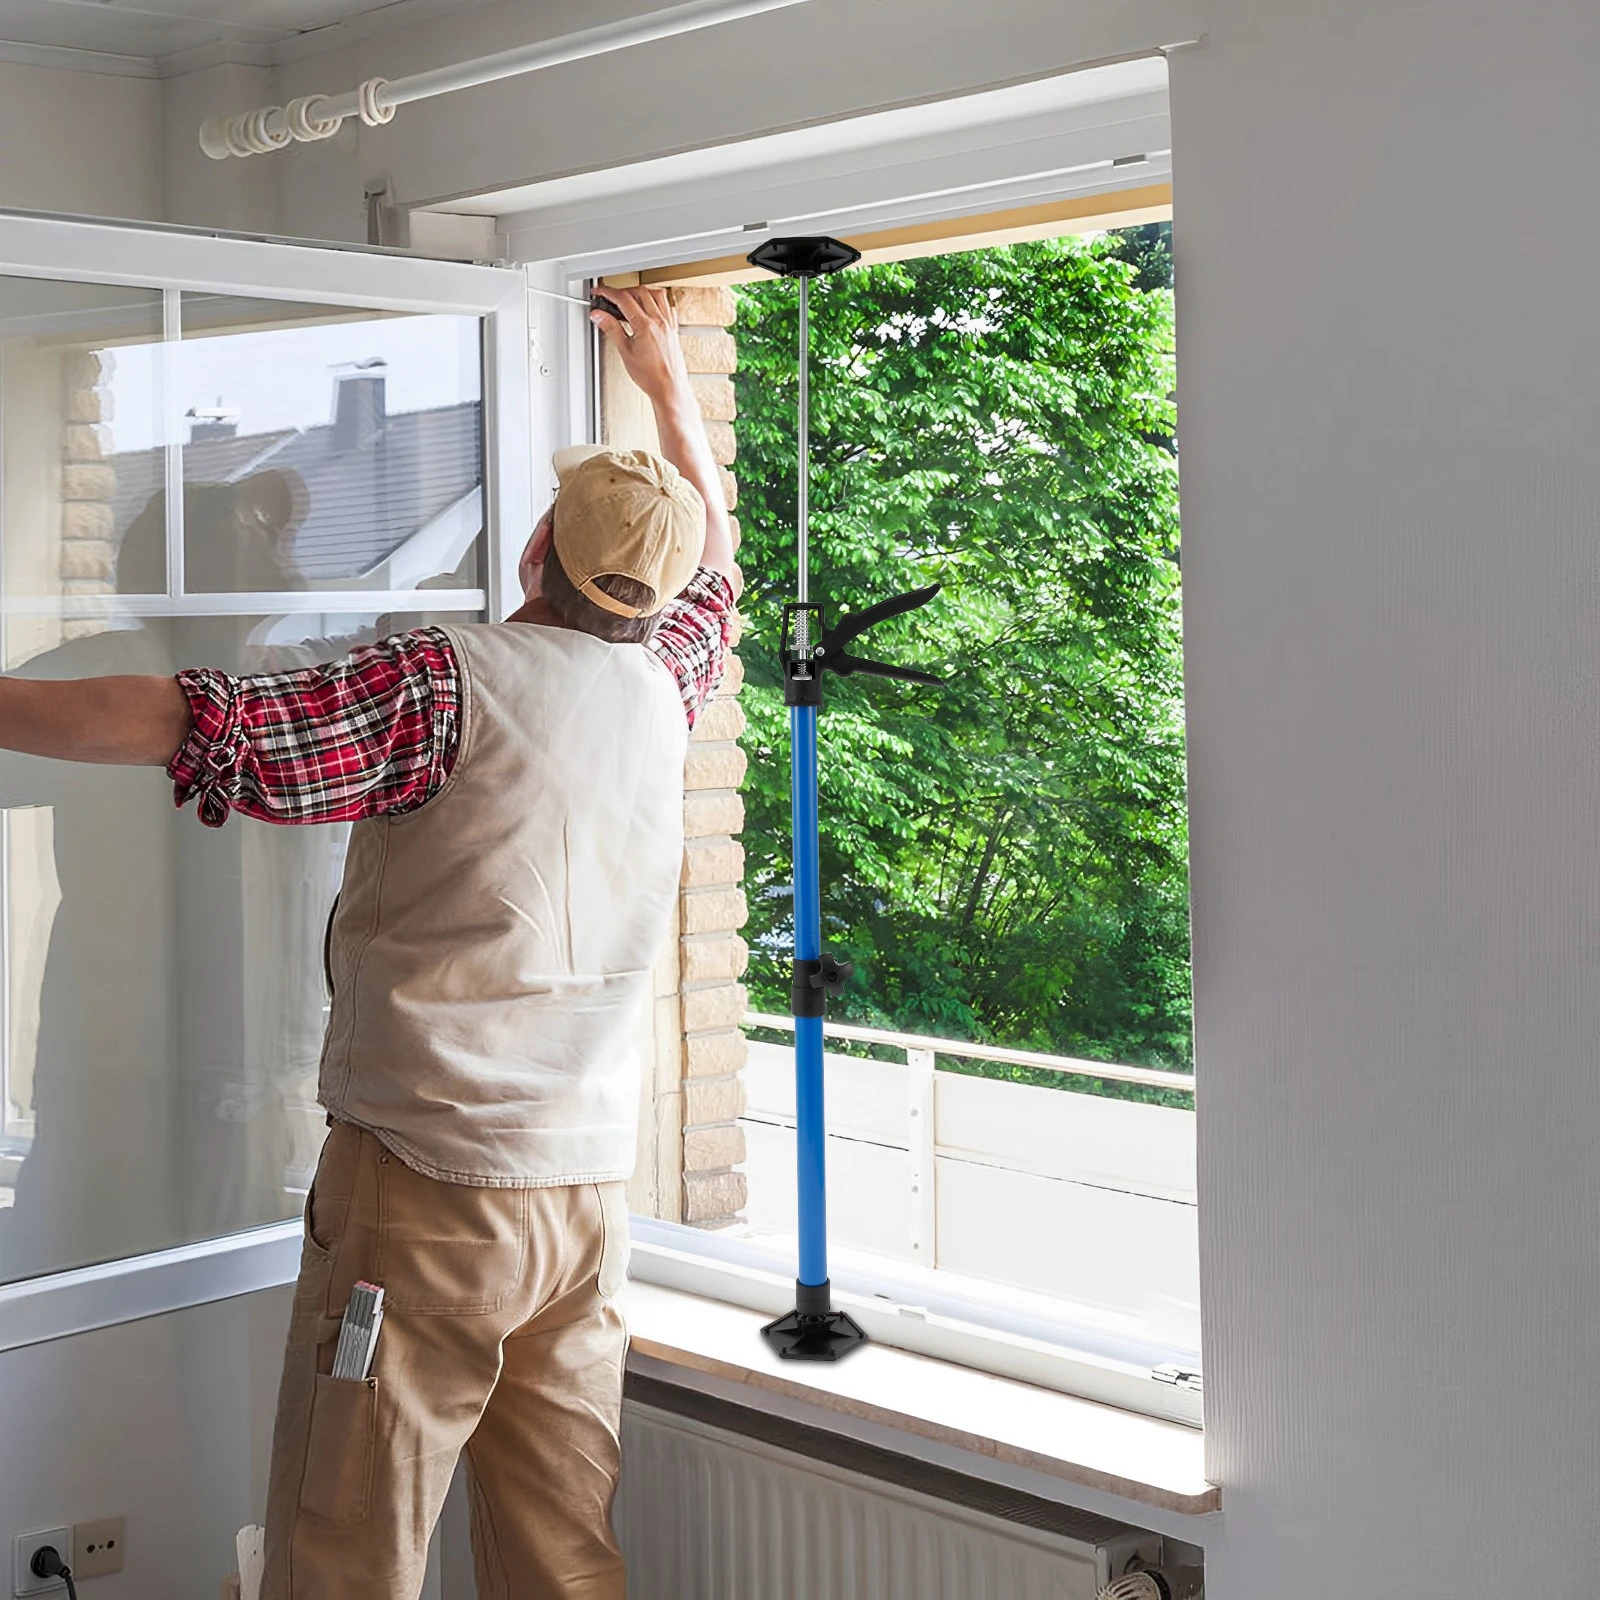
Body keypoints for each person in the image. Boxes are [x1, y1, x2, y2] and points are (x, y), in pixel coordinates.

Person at [0, 286, 736, 1599]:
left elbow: (186, 719)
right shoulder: (665, 686)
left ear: (534, 553)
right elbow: (715, 564)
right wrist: (672, 388)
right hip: (578, 1207)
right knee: (562, 1554)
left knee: (347, 1549)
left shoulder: (444, 688)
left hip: (426, 1197)